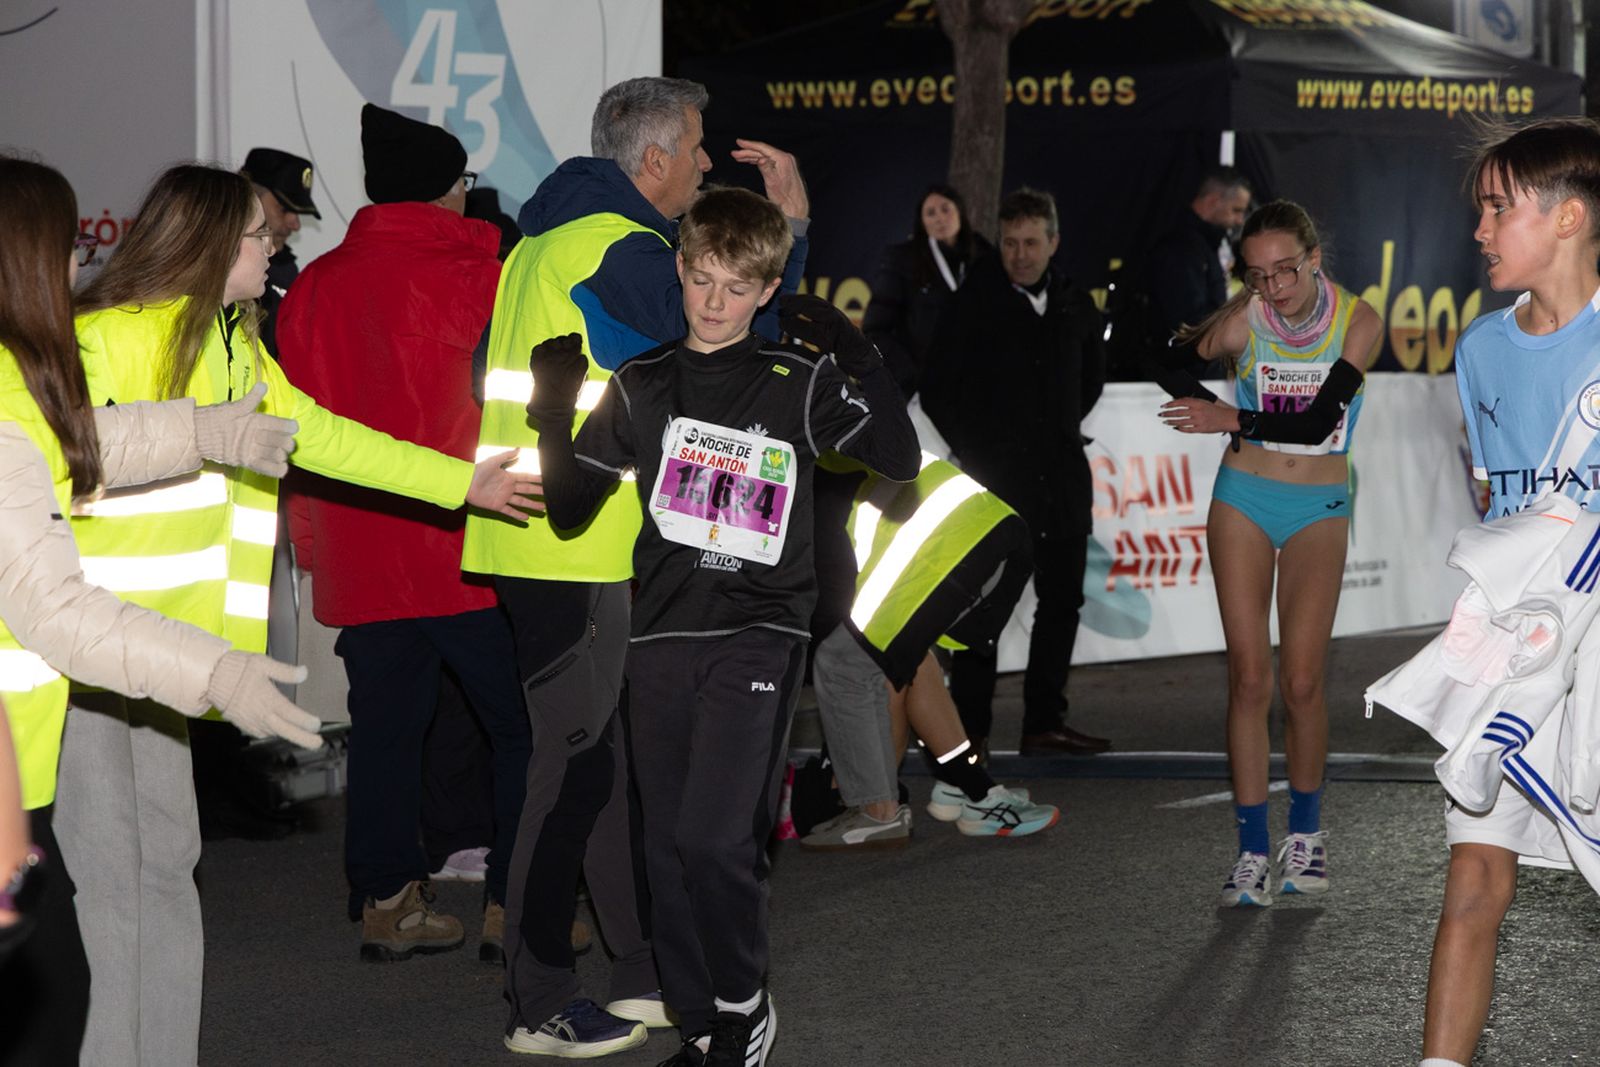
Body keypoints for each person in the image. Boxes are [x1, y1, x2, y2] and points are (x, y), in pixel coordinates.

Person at [52, 162, 538, 1067]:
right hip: (83, 655)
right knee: (113, 884)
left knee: (164, 867)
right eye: (259, 236)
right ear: (204, 245)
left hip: (168, 662)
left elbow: (323, 432)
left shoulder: (233, 341)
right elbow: (68, 453)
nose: (276, 245)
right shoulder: (103, 334)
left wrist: (460, 482)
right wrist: (195, 431)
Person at [534, 185, 919, 1067]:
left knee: (714, 836)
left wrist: (862, 360)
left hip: (759, 631)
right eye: (701, 279)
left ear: (768, 287)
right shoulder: (643, 382)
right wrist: (554, 414)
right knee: (665, 846)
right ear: (680, 268)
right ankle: (702, 1022)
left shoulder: (795, 379)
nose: (714, 301)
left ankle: (745, 1008)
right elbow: (566, 508)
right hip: (662, 634)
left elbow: (898, 458)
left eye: (736, 287)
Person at [467, 76, 811, 1058]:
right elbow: (738, 355)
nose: (706, 164)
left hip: (549, 533)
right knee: (569, 773)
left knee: (604, 771)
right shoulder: (621, 246)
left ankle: (643, 968)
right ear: (653, 159)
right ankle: (537, 996)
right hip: (575, 538)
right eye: (698, 147)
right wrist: (790, 231)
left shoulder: (550, 234)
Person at [0, 154, 323, 1067]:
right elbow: (57, 604)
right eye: (62, 248)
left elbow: (78, 438)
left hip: (127, 665)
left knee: (157, 874)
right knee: (78, 940)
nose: (77, 263)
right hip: (102, 666)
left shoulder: (219, 342)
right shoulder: (83, 346)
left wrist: (199, 429)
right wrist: (216, 670)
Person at [277, 104, 532, 963]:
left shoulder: (315, 286)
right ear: (444, 189)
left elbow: (295, 441)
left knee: (383, 736)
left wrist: (310, 544)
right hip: (473, 551)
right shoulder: (489, 276)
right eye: (462, 182)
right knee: (522, 726)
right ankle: (517, 904)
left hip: (362, 556)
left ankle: (388, 901)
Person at [1409, 117, 1600, 1067]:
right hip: (1519, 645)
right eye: (1478, 209)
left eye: (1498, 208)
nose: (1479, 230)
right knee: (1473, 877)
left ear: (1568, 217)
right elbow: (1498, 502)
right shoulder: (1480, 349)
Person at [1153, 199, 1380, 908]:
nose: (1275, 287)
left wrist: (1229, 416)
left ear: (1313, 259)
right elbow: (1165, 360)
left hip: (1318, 503)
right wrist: (1208, 371)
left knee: (1303, 682)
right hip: (1243, 497)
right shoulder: (1247, 318)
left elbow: (1318, 423)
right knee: (1250, 680)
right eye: (1258, 276)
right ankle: (1252, 848)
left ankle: (1305, 835)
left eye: (1286, 270)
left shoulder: (1358, 321)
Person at [922, 187, 1110, 760]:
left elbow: (1091, 383)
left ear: (1054, 242)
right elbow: (936, 391)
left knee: (1062, 605)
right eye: (1010, 243)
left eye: (1031, 242)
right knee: (982, 614)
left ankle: (1044, 723)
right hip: (993, 488)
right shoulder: (969, 303)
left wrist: (1053, 431)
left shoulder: (1078, 306)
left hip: (1062, 483)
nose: (1020, 254)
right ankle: (970, 733)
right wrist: (981, 451)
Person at [800, 456, 1058, 848]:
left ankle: (880, 812)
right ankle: (972, 790)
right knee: (904, 659)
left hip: (944, 538)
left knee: (848, 663)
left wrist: (862, 772)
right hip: (981, 525)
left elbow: (870, 676)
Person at [862, 183, 992, 398]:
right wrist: (912, 376)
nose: (939, 218)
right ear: (922, 222)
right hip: (920, 392)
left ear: (959, 211)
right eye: (930, 213)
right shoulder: (903, 260)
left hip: (974, 391)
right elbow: (875, 329)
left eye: (945, 209)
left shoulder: (984, 257)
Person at [238, 147, 319, 359]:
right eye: (283, 208)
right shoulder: (215, 271)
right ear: (250, 198)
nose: (295, 224)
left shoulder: (286, 269)